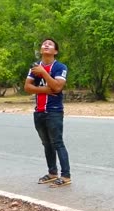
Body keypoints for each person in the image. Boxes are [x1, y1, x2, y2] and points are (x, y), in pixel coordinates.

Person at [24, 38, 71, 188]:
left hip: (54, 111)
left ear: (55, 51)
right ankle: (52, 173)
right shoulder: (34, 67)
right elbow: (27, 87)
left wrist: (43, 73)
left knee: (57, 143)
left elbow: (57, 87)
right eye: (44, 44)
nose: (46, 45)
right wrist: (44, 90)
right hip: (39, 111)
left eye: (50, 44)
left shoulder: (60, 67)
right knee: (46, 144)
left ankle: (65, 176)